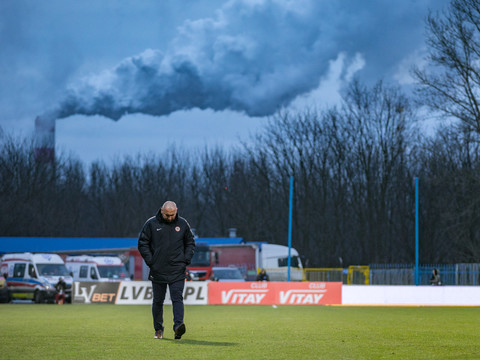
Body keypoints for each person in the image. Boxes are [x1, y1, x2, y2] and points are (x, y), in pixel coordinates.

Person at [138, 201, 195, 340]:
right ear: (162, 211)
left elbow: (190, 243)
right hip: (158, 269)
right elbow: (142, 243)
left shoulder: (182, 224)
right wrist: (151, 261)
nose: (170, 218)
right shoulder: (151, 224)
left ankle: (178, 327)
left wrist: (185, 260)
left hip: (177, 269)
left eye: (172, 215)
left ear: (176, 211)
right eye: (167, 215)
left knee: (177, 298)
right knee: (158, 301)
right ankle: (158, 329)